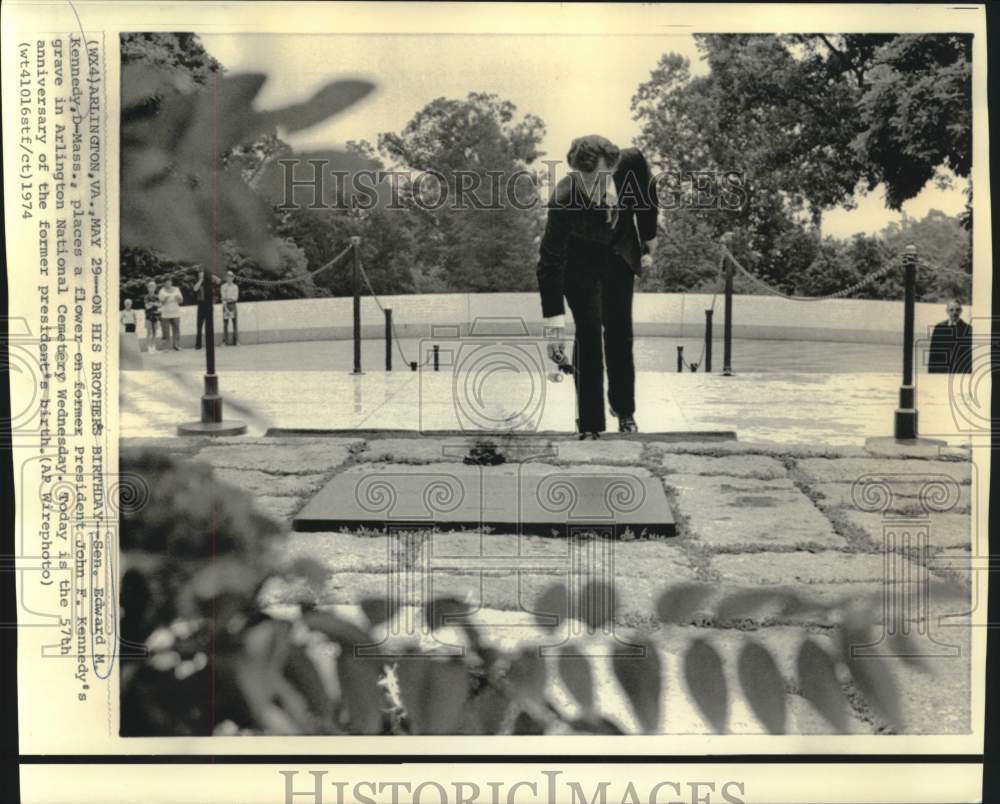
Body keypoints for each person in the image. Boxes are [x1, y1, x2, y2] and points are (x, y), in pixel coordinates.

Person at [536, 135, 658, 438]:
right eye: (584, 180)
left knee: (619, 334)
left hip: (618, 256)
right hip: (580, 266)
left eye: (598, 180)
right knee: (588, 333)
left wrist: (648, 240)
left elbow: (648, 194)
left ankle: (624, 410)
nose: (591, 189)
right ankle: (590, 422)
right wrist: (554, 330)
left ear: (614, 166)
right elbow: (548, 264)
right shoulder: (563, 200)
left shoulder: (631, 162)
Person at [928, 299, 972, 373]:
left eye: (957, 310)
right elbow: (933, 352)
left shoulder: (967, 329)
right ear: (947, 311)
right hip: (941, 371)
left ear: (961, 311)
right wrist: (931, 372)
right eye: (951, 310)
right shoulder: (939, 328)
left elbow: (969, 355)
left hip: (959, 372)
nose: (954, 312)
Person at [193, 268, 221, 349]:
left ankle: (210, 344)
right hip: (201, 305)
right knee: (199, 326)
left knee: (209, 326)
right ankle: (198, 345)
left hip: (209, 305)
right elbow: (195, 289)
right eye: (200, 274)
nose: (201, 275)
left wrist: (212, 276)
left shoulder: (209, 282)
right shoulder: (198, 282)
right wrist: (201, 280)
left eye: (202, 274)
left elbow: (219, 281)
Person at [158, 276, 184, 351]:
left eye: (169, 282)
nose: (168, 283)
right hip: (165, 314)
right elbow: (161, 302)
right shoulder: (161, 291)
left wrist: (178, 298)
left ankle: (176, 345)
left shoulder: (177, 289)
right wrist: (165, 299)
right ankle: (166, 347)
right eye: (166, 282)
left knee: (176, 329)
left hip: (175, 313)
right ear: (164, 283)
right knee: (165, 331)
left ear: (171, 282)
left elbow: (181, 301)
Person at [221, 271, 240, 346]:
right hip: (226, 305)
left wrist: (228, 298)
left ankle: (236, 341)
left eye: (231, 276)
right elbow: (223, 297)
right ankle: (225, 341)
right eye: (228, 276)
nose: (229, 278)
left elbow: (235, 298)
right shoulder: (223, 286)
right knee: (225, 324)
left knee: (234, 323)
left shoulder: (235, 287)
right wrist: (226, 304)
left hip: (233, 305)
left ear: (233, 278)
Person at [142, 281, 161, 353]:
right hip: (148, 317)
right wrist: (154, 304)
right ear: (148, 288)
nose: (151, 288)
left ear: (155, 288)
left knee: (155, 332)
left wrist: (152, 304)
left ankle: (153, 346)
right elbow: (147, 306)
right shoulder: (146, 297)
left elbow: (159, 305)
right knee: (149, 332)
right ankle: (148, 347)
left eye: (153, 287)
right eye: (150, 287)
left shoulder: (157, 296)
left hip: (155, 316)